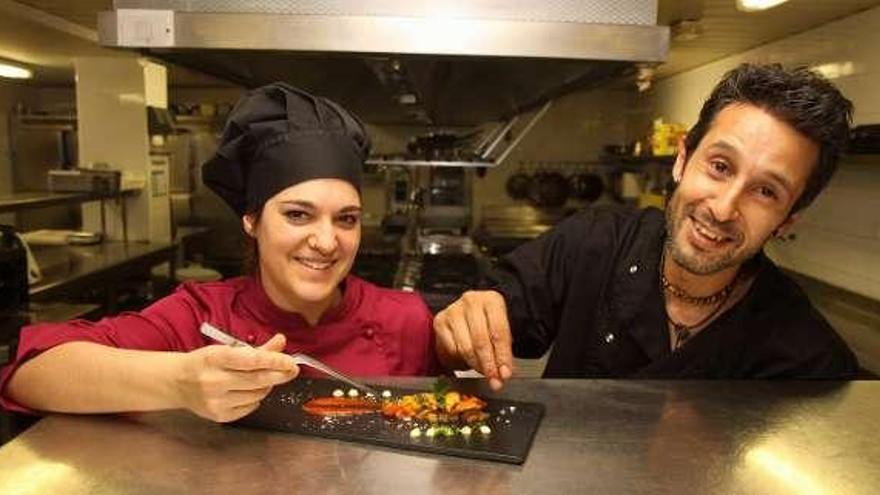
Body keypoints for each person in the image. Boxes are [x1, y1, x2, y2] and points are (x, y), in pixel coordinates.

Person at [0, 83, 439, 422]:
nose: (327, 242)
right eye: (299, 215)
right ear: (251, 220)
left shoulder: (404, 318)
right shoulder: (200, 318)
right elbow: (31, 373)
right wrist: (178, 381)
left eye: (346, 219)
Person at [434, 63, 860, 389]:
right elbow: (473, 328)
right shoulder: (595, 242)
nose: (724, 207)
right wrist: (458, 329)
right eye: (719, 166)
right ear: (682, 158)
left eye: (766, 192)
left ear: (788, 219)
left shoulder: (804, 354)